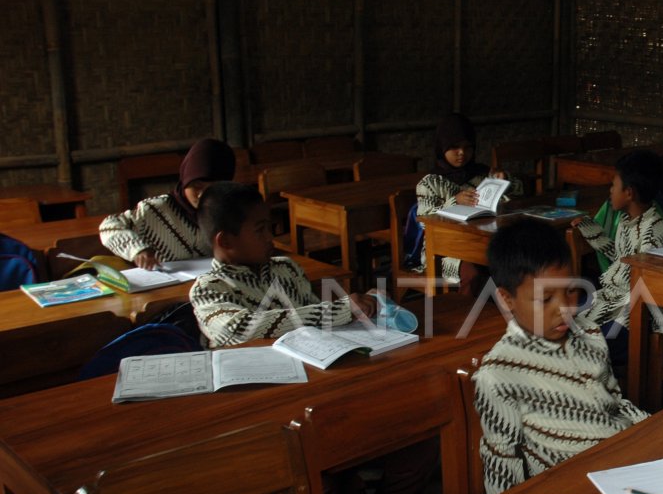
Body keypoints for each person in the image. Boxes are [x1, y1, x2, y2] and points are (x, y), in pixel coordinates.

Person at [473, 217, 647, 494]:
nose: (563, 308)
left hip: (623, 464)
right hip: (572, 489)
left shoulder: (589, 333)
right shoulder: (498, 374)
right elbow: (501, 460)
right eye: (545, 299)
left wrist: (652, 431)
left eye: (570, 291)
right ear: (507, 299)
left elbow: (615, 403)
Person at [190, 181, 376, 347]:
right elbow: (240, 330)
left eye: (269, 228)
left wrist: (365, 307)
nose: (270, 237)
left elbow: (319, 322)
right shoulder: (207, 290)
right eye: (260, 230)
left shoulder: (287, 269)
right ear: (226, 242)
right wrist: (341, 310)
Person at [572, 149, 663, 364]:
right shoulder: (628, 221)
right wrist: (590, 230)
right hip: (615, 299)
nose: (610, 191)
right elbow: (620, 258)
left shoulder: (654, 229)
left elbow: (642, 284)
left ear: (629, 193)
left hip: (637, 313)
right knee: (564, 319)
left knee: (591, 344)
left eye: (613, 186)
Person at [100, 138, 237, 269]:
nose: (201, 194)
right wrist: (137, 249)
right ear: (185, 180)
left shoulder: (232, 213)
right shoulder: (154, 211)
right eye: (196, 186)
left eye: (212, 188)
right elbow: (109, 227)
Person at [414, 113, 518, 283]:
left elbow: (519, 191)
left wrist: (505, 179)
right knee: (474, 273)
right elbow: (424, 221)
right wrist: (455, 202)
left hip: (481, 242)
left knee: (513, 264)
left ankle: (498, 307)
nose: (462, 153)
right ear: (442, 147)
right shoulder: (429, 183)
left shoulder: (483, 174)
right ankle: (468, 308)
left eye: (468, 147)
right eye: (454, 147)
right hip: (443, 251)